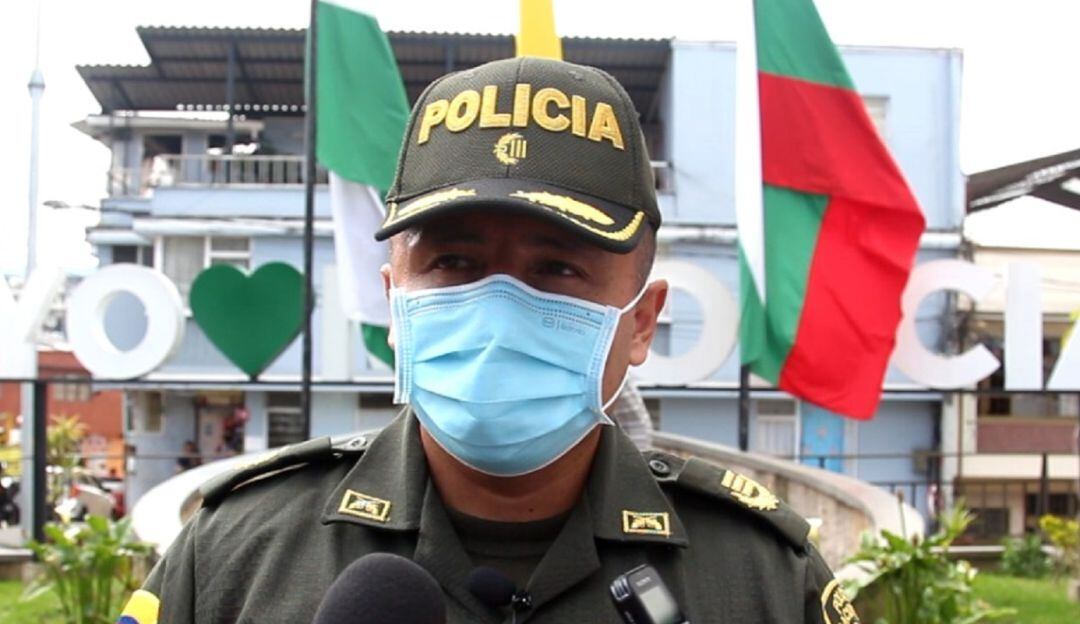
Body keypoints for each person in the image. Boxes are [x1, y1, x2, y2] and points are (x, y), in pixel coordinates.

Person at [129, 57, 858, 624]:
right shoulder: (237, 555)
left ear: (640, 322)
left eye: (557, 268)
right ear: (394, 298)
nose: (501, 304)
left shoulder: (765, 579)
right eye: (455, 263)